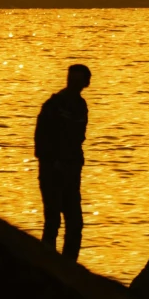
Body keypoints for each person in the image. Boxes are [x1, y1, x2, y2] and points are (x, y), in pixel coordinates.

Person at [34, 62, 91, 260]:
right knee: (53, 220)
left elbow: (78, 137)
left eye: (78, 80)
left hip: (71, 171)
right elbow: (41, 140)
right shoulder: (54, 105)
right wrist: (53, 162)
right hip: (53, 170)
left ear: (86, 83)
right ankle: (48, 262)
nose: (73, 83)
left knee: (74, 223)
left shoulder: (80, 106)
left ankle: (69, 265)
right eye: (71, 79)